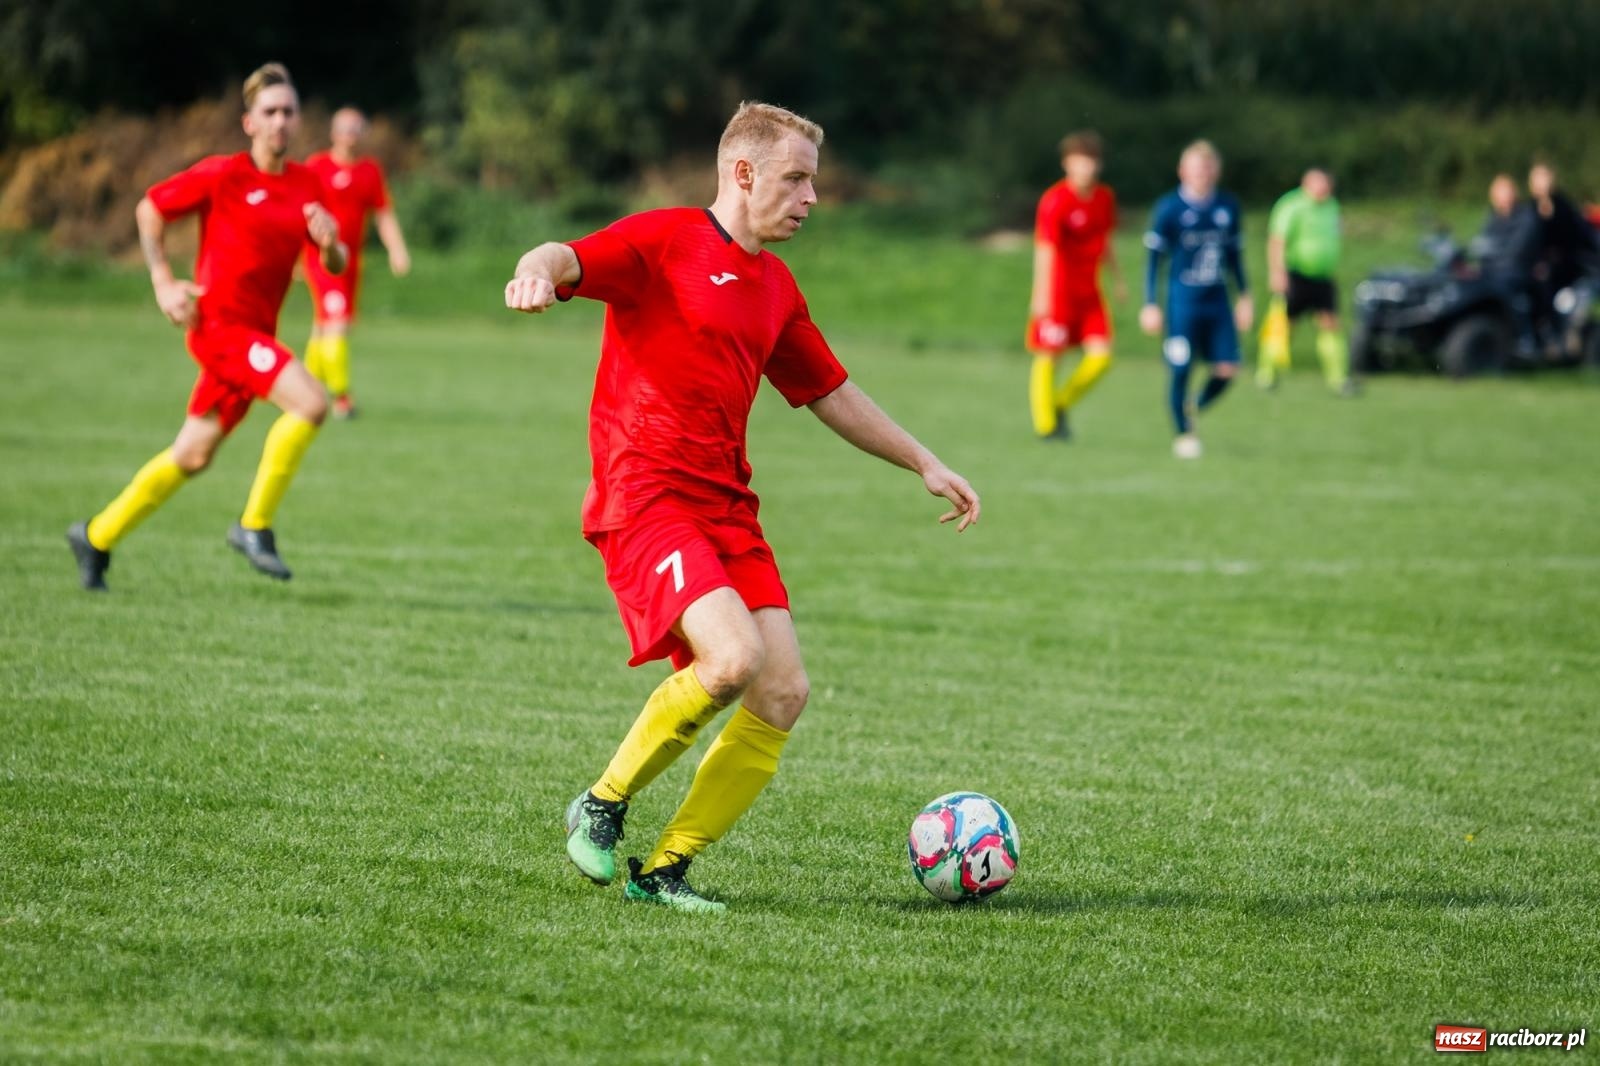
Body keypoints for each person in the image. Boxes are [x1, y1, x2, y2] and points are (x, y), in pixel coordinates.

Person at [504, 101, 981, 912]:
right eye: (797, 179)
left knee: (782, 691)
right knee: (730, 660)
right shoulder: (664, 240)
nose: (811, 197)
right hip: (646, 490)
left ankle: (665, 872)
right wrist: (538, 272)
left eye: (814, 182)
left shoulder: (775, 285)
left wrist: (923, 460)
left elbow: (828, 390)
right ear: (744, 172)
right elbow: (565, 253)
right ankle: (602, 803)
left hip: (726, 505)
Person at [65, 63, 345, 591]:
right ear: (249, 122)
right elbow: (150, 208)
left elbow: (335, 262)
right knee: (311, 403)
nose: (281, 121)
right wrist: (162, 281)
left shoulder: (308, 184)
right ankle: (253, 525)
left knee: (191, 456)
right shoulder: (224, 174)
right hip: (219, 328)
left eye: (289, 111)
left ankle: (96, 535)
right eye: (270, 112)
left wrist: (331, 245)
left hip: (255, 336)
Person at [1141, 140, 1252, 460]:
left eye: (1207, 168)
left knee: (1228, 369)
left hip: (1217, 302)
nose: (1202, 174)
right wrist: (1151, 303)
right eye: (1195, 168)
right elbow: (1154, 261)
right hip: (1182, 304)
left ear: (1215, 171)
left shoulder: (1227, 206)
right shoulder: (1169, 209)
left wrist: (1245, 296)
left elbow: (1235, 256)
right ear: (1182, 171)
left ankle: (1193, 407)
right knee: (1180, 368)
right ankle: (1183, 434)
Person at [302, 107, 410, 418]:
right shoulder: (317, 166)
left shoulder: (369, 170)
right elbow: (302, 211)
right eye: (345, 128)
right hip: (322, 258)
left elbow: (383, 214)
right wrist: (294, 255)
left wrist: (397, 249)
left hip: (351, 261)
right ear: (333, 133)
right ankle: (341, 399)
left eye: (356, 129)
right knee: (336, 323)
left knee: (323, 327)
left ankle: (305, 390)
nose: (351, 135)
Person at [1025, 130, 1123, 440]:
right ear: (1067, 164)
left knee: (1101, 357)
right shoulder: (1055, 200)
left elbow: (1105, 241)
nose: (1087, 168)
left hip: (1089, 291)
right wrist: (1041, 294)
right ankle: (1046, 425)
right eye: (1081, 161)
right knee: (1049, 355)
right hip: (1059, 291)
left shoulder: (1104, 198)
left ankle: (1059, 403)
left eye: (1092, 161)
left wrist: (1117, 279)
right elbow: (1045, 248)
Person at [1258, 167, 1353, 394]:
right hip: (1296, 274)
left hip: (1322, 276)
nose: (1323, 189)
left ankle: (1338, 378)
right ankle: (1267, 373)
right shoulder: (1292, 205)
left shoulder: (1332, 206)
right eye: (1318, 184)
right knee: (1286, 325)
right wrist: (1276, 272)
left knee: (1330, 323)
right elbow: (1277, 240)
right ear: (1306, 184)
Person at [1526, 161, 1599, 347]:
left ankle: (1550, 331)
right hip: (1536, 263)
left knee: (1544, 280)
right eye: (1537, 179)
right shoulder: (1528, 209)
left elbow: (1570, 241)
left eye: (1544, 178)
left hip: (1565, 264)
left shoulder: (1562, 207)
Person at [1476, 173, 1541, 356]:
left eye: (1505, 192)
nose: (1501, 198)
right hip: (1493, 271)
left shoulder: (1526, 218)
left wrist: (1493, 260)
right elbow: (1483, 245)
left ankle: (1524, 338)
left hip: (1517, 272)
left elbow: (1518, 250)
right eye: (1498, 193)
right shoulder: (1493, 219)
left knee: (1506, 287)